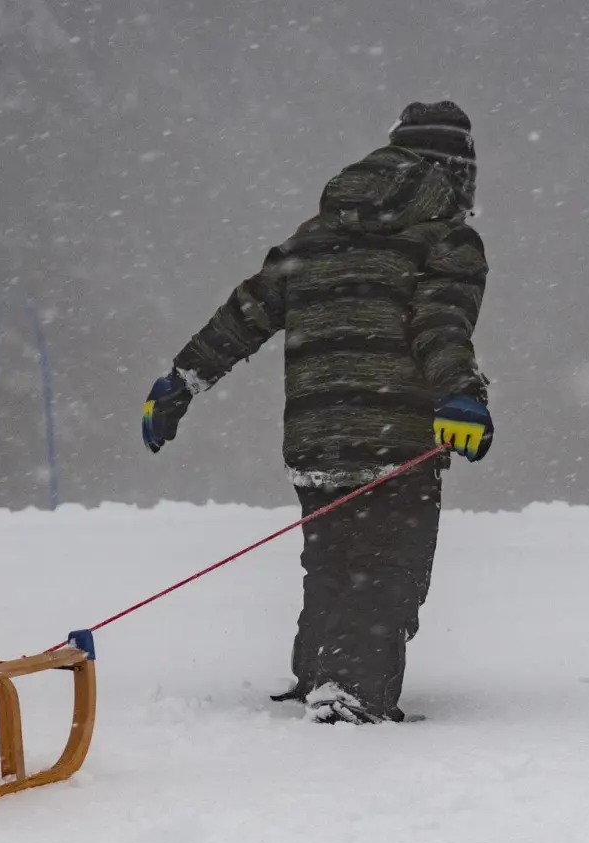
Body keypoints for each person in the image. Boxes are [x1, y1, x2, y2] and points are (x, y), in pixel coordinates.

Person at [142, 100, 493, 724]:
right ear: (453, 171)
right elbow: (441, 321)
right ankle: (349, 694)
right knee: (388, 568)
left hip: (315, 436)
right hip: (395, 437)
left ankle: (317, 676)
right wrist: (459, 392)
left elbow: (245, 313)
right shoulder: (445, 237)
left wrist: (182, 379)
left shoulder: (316, 234)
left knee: (333, 563)